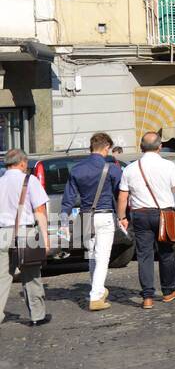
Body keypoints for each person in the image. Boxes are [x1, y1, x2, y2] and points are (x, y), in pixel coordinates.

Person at [116, 132, 175, 310]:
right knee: (165, 252)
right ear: (160, 146)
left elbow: (122, 196)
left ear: (141, 147)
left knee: (144, 255)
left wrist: (122, 218)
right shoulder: (168, 166)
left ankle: (148, 297)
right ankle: (168, 291)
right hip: (164, 214)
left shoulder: (130, 168)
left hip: (140, 214)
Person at [61, 132, 122, 312]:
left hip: (85, 215)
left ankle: (97, 289)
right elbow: (121, 194)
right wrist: (125, 217)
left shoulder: (77, 169)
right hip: (105, 215)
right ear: (106, 147)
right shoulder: (112, 168)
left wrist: (64, 221)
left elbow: (69, 198)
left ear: (91, 147)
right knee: (103, 257)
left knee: (92, 255)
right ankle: (95, 297)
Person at [0, 149, 51, 326]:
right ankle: (37, 316)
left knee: (1, 278)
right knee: (31, 275)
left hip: (2, 233)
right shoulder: (29, 180)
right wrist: (45, 238)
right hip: (25, 233)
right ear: (21, 163)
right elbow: (40, 211)